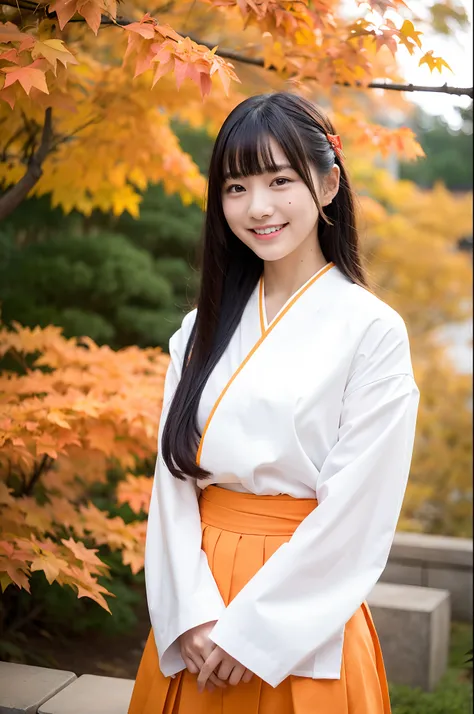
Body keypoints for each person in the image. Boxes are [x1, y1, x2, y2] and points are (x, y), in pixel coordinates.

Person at [127, 91, 420, 714]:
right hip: (196, 600)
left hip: (301, 604)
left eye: (280, 180)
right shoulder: (199, 327)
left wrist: (251, 634)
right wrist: (192, 616)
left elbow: (359, 513)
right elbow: (172, 479)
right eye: (235, 187)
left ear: (328, 183)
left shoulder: (371, 330)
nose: (258, 207)